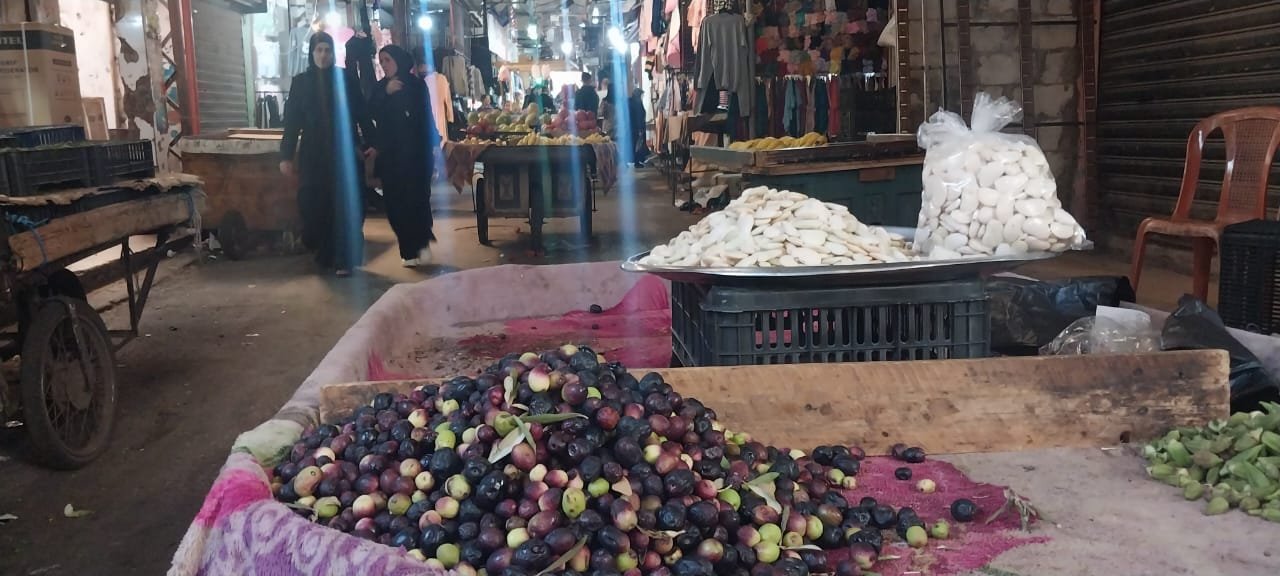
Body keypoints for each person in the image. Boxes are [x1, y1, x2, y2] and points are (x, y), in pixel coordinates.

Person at [279, 32, 374, 277]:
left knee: (342, 206)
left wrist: (371, 143)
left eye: (327, 50)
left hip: (344, 152)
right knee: (312, 204)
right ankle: (324, 251)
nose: (323, 55)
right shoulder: (301, 83)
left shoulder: (346, 79)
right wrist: (286, 155)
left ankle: (343, 259)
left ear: (333, 53)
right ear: (312, 53)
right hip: (313, 155)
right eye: (319, 50)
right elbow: (292, 122)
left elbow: (362, 113)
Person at [369, 44, 437, 267]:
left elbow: (426, 116)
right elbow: (371, 113)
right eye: (381, 61)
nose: (384, 65)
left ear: (398, 60)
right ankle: (408, 250)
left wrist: (434, 143)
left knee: (417, 201)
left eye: (388, 60)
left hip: (417, 155)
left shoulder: (417, 86)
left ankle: (421, 243)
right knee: (395, 204)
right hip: (391, 157)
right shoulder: (380, 88)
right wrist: (386, 94)